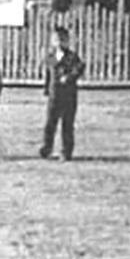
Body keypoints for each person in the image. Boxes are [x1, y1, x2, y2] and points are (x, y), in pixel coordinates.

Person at [39, 24, 85, 161]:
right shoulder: (50, 56)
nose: (59, 43)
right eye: (56, 40)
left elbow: (79, 69)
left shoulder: (72, 57)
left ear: (67, 41)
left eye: (62, 40)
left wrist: (69, 77)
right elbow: (48, 73)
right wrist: (46, 89)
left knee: (67, 124)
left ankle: (66, 151)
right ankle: (47, 149)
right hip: (54, 95)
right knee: (50, 123)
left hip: (68, 95)